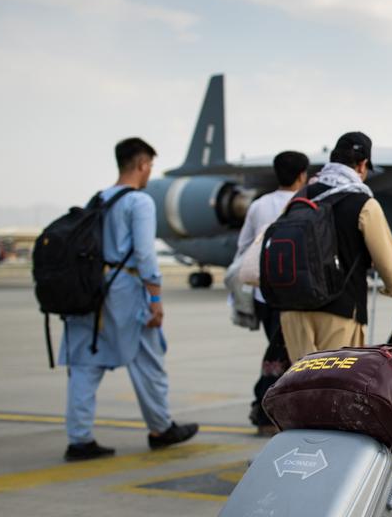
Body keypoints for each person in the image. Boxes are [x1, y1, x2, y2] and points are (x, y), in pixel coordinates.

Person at [61, 138, 198, 461]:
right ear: (141, 165)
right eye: (149, 165)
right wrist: (155, 298)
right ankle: (161, 428)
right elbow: (145, 254)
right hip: (125, 293)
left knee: (84, 366)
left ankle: (79, 439)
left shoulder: (98, 199)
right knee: (148, 360)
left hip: (90, 291)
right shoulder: (139, 202)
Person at [279, 132, 392, 362]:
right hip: (340, 310)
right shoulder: (364, 203)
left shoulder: (301, 196)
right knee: (335, 389)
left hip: (292, 310)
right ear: (362, 164)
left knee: (302, 387)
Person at [230, 150, 308, 435]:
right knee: (284, 356)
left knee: (277, 350)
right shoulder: (306, 203)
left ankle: (266, 409)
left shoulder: (258, 206)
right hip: (295, 295)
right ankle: (266, 411)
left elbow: (244, 248)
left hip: (265, 294)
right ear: (302, 175)